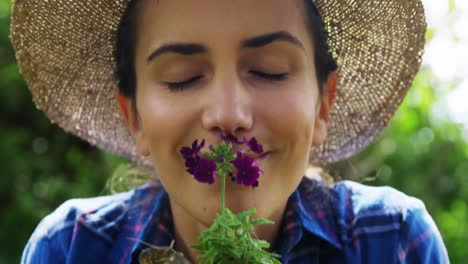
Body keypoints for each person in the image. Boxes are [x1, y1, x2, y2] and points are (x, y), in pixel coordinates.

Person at [11, 0, 449, 263]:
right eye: (182, 77)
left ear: (323, 104)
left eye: (269, 71)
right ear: (135, 118)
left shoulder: (389, 240)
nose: (228, 113)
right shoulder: (72, 248)